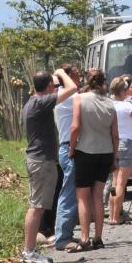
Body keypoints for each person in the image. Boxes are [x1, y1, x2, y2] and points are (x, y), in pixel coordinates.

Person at [21, 68, 78, 263]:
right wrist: (62, 72)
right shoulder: (41, 102)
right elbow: (72, 88)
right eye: (54, 85)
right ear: (49, 86)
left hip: (37, 160)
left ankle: (29, 249)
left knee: (36, 206)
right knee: (37, 207)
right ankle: (28, 251)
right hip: (41, 161)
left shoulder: (32, 102)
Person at [66, 68, 117, 253]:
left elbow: (75, 127)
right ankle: (98, 237)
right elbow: (115, 135)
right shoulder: (110, 103)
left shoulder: (79, 98)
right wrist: (114, 156)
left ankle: (85, 238)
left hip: (85, 151)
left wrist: (71, 148)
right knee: (98, 195)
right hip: (105, 152)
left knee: (82, 197)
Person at [52, 63, 83, 251]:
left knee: (71, 192)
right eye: (76, 75)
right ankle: (63, 237)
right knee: (69, 193)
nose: (79, 78)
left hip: (68, 147)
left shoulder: (68, 96)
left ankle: (65, 233)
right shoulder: (68, 95)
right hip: (69, 148)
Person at [108, 75, 132, 225]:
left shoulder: (108, 105)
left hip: (113, 143)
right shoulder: (128, 106)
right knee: (121, 182)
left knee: (114, 181)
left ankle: (111, 215)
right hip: (127, 142)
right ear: (124, 91)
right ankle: (116, 216)